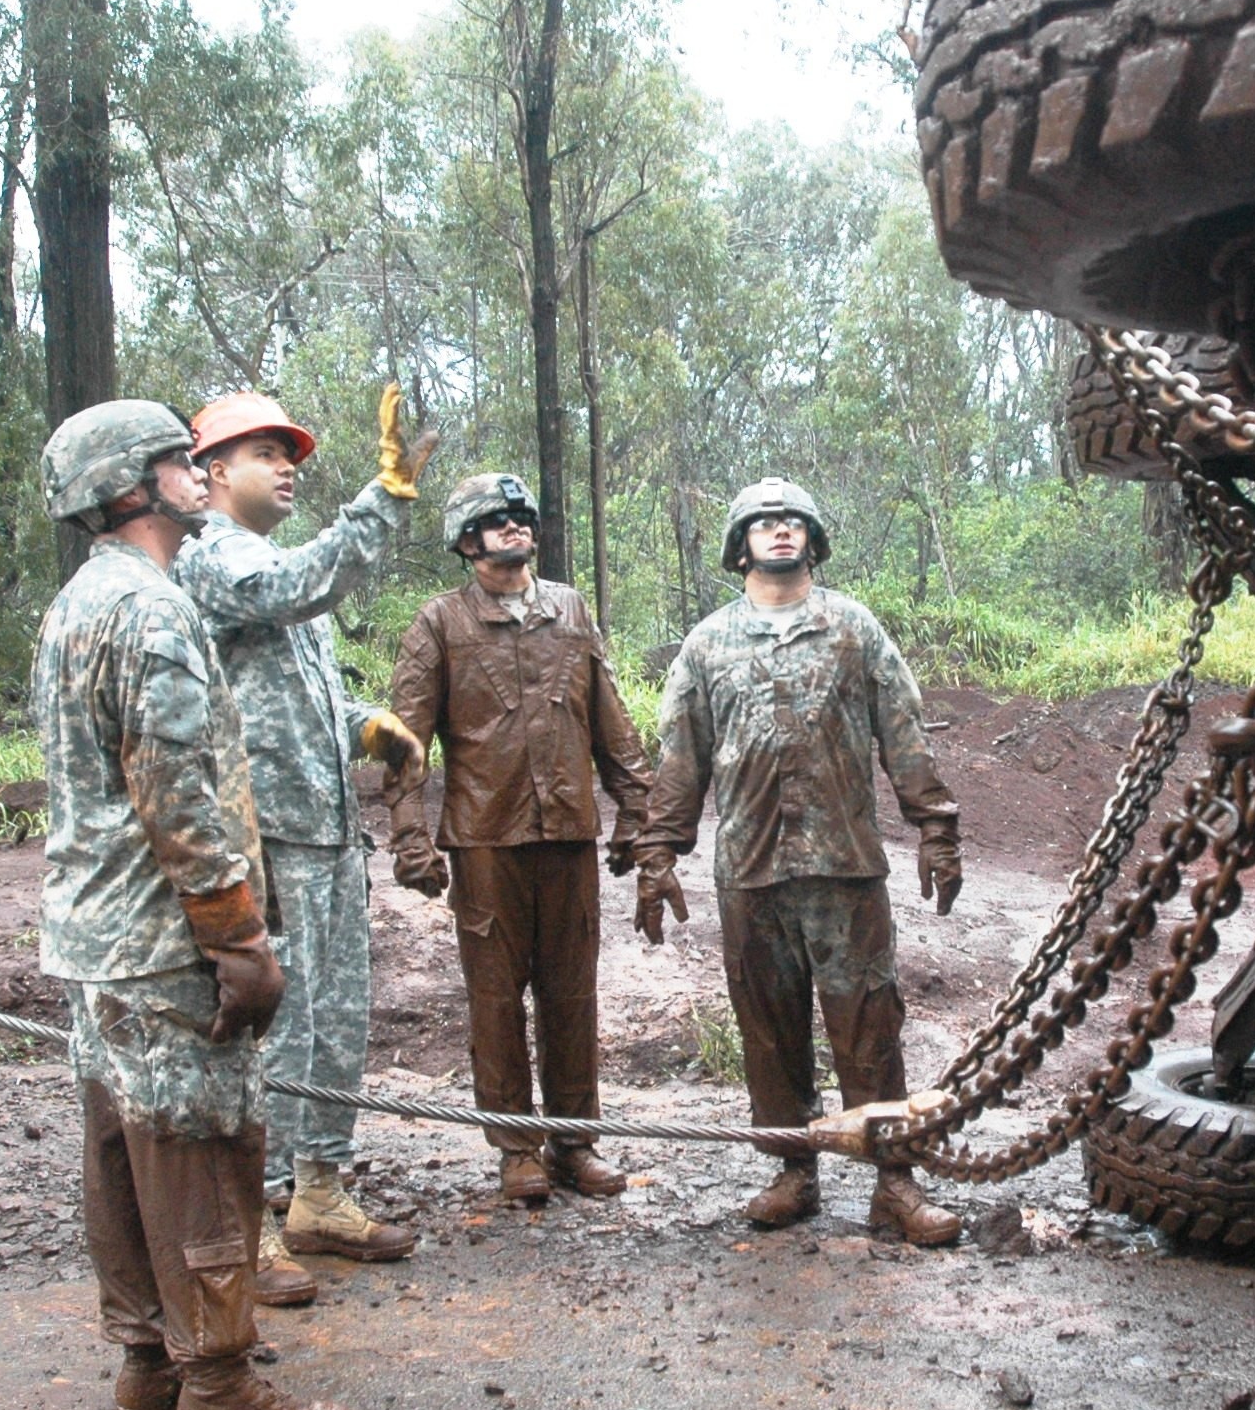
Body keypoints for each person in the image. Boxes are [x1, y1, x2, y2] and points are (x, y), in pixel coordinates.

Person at [32, 399, 353, 1410]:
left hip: (96, 936)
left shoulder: (77, 603)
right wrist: (236, 935)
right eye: (178, 461)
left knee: (122, 1155)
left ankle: (144, 1367)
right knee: (204, 1152)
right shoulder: (153, 610)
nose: (194, 474)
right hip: (166, 937)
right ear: (135, 485)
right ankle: (216, 1383)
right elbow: (178, 791)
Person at [633, 478, 966, 1247]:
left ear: (811, 538)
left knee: (869, 1025)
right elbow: (680, 760)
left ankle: (895, 1180)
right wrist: (658, 853)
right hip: (750, 870)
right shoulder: (707, 643)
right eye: (763, 522)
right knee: (769, 1030)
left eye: (792, 522)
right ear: (740, 542)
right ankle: (791, 1170)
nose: (778, 532)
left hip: (844, 865)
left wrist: (936, 827)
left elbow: (904, 734)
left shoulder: (853, 629)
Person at [171, 385, 434, 1266]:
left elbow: (290, 687)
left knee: (334, 1019)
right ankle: (253, 1209)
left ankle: (318, 1190)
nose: (287, 468)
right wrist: (382, 499)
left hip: (324, 834)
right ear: (210, 473)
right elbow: (295, 587)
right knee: (276, 1025)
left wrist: (360, 720)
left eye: (291, 455)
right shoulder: (212, 558)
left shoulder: (270, 570)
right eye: (264, 454)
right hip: (264, 838)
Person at [384, 474, 655, 1206]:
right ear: (468, 541)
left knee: (572, 993)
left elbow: (611, 715)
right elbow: (405, 739)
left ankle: (575, 1142)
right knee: (496, 999)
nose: (513, 528)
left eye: (521, 518)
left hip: (567, 831)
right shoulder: (439, 623)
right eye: (495, 521)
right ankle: (515, 1149)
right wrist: (410, 837)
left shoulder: (569, 608)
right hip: (485, 840)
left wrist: (638, 806)